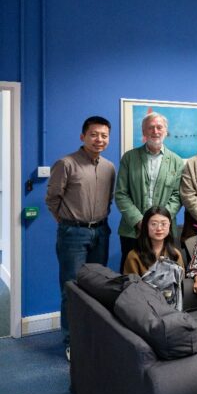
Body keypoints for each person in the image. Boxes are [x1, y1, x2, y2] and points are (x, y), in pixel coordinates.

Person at [45, 116, 115, 358]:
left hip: (101, 231)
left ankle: (93, 335)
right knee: (72, 289)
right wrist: (68, 223)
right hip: (72, 233)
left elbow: (109, 200)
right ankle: (72, 342)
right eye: (94, 134)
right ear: (82, 136)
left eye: (104, 135)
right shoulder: (66, 164)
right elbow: (52, 199)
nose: (99, 139)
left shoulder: (109, 167)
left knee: (97, 286)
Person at [115, 112, 183, 272]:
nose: (155, 131)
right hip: (133, 231)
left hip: (164, 232)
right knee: (130, 278)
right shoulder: (129, 158)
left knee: (166, 276)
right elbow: (121, 194)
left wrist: (160, 222)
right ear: (144, 132)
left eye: (159, 127)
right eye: (150, 127)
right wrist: (140, 222)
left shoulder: (176, 161)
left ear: (166, 131)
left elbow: (177, 196)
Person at [123, 206, 184, 276]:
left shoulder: (175, 254)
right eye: (154, 224)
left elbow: (180, 282)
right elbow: (131, 285)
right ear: (146, 226)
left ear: (169, 226)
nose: (159, 228)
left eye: (163, 224)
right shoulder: (133, 256)